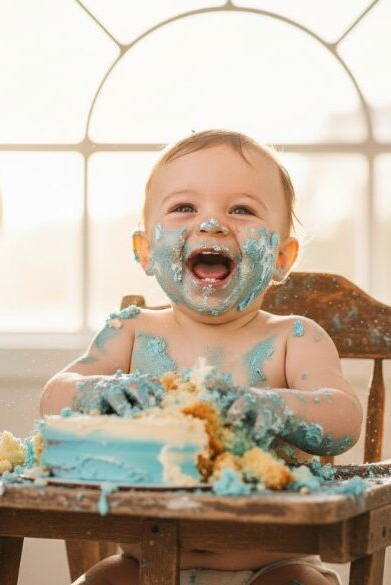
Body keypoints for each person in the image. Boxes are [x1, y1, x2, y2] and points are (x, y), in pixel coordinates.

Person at [40, 129, 363, 585]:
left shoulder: (293, 339)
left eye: (242, 210)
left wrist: (274, 407)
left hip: (272, 568)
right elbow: (54, 398)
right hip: (143, 568)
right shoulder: (131, 330)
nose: (211, 224)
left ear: (281, 258)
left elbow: (344, 418)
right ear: (146, 251)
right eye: (184, 208)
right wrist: (99, 391)